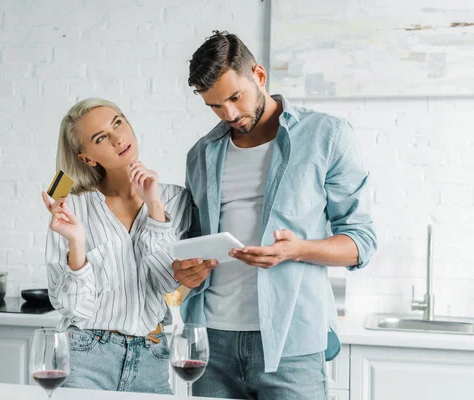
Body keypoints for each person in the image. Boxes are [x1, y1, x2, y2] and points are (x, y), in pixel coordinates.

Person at [173, 31, 377, 399]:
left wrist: (295, 250)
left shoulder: (325, 136)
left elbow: (361, 242)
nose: (230, 114)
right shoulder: (201, 153)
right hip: (211, 342)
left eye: (235, 97)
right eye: (216, 106)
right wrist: (186, 269)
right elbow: (194, 242)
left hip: (292, 344)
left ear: (260, 76)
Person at [42, 98, 192, 394]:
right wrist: (76, 242)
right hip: (85, 356)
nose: (118, 138)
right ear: (87, 158)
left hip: (151, 356)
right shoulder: (71, 208)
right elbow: (73, 308)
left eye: (118, 123)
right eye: (101, 138)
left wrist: (155, 208)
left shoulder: (175, 200)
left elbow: (167, 283)